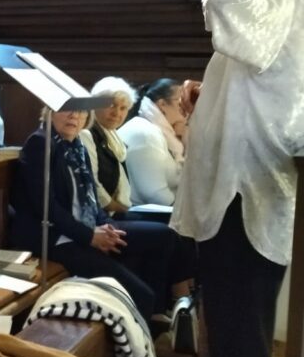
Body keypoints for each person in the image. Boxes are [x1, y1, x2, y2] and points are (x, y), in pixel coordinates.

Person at [171, 0, 304, 357]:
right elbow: (260, 83)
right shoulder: (276, 7)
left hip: (248, 192)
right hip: (236, 191)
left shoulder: (280, 1)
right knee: (226, 317)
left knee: (241, 322)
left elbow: (234, 17)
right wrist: (209, 96)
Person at [10, 109, 186, 321]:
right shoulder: (40, 143)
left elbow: (90, 197)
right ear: (50, 112)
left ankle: (156, 314)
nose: (74, 116)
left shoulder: (77, 145)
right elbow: (46, 207)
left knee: (164, 236)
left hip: (87, 227)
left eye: (81, 111)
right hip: (57, 238)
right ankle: (146, 322)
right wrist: (90, 236)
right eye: (66, 110)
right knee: (140, 295)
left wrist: (106, 226)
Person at [118, 79, 185, 206]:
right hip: (143, 212)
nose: (186, 106)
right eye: (180, 100)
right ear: (162, 104)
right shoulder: (145, 134)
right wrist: (183, 212)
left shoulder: (162, 133)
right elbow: (154, 194)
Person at [80, 76, 136, 215]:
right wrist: (117, 208)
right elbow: (92, 183)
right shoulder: (87, 133)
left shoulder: (113, 134)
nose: (117, 113)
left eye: (123, 108)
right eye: (111, 105)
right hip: (102, 213)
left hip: (118, 209)